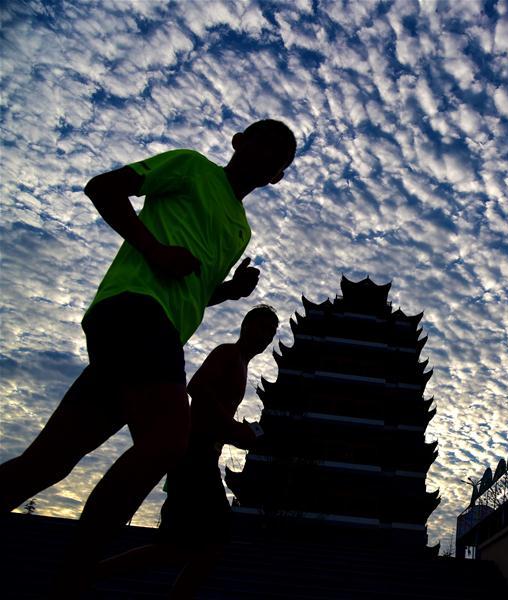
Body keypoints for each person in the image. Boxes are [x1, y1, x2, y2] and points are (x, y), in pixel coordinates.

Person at [0, 119, 296, 592]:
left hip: (156, 333)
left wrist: (228, 292)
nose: (268, 156)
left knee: (48, 462)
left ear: (277, 176)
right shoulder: (192, 167)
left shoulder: (240, 231)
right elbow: (104, 189)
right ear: (239, 142)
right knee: (166, 441)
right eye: (263, 141)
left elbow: (190, 288)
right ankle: (72, 579)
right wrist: (153, 248)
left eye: (279, 156)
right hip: (135, 309)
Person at [95, 305, 279, 598]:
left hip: (202, 454)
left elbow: (211, 414)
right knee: (214, 539)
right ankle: (91, 574)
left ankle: (92, 574)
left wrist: (236, 436)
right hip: (193, 454)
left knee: (178, 546)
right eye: (261, 328)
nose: (265, 336)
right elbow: (198, 388)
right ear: (245, 326)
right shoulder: (228, 354)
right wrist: (234, 430)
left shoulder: (242, 364)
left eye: (270, 332)